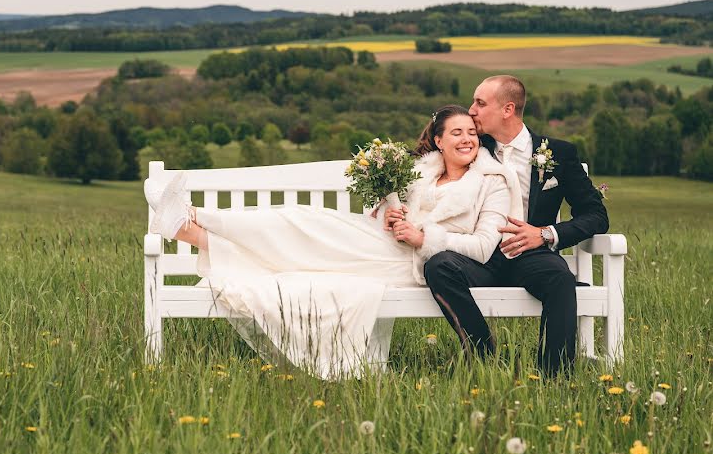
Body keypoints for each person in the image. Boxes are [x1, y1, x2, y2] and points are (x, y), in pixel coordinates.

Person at [144, 106, 521, 379]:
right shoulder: (422, 174)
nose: (467, 139)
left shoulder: (491, 182)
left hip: (409, 264)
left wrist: (424, 237)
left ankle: (195, 222)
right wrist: (388, 214)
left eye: (472, 133)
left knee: (302, 228)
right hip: (379, 242)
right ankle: (192, 226)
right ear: (438, 141)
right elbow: (389, 212)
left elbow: (484, 247)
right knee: (303, 221)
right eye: (456, 133)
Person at [422, 75, 609, 376]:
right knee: (439, 265)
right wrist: (389, 200)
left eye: (480, 104)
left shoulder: (558, 154)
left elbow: (596, 215)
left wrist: (546, 234)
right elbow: (422, 161)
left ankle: (556, 377)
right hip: (478, 254)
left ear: (507, 109)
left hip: (531, 255)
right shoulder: (470, 144)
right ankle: (483, 357)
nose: (471, 111)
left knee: (560, 278)